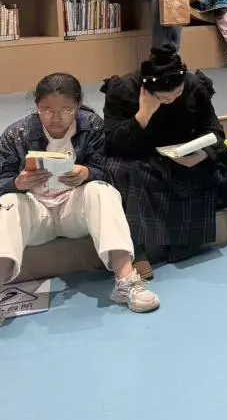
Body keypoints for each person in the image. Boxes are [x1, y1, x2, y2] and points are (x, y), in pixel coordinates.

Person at [102, 46, 227, 280]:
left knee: (223, 153)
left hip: (185, 155)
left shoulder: (194, 86)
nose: (171, 100)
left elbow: (214, 130)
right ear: (147, 91)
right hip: (142, 156)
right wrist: (143, 115)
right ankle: (135, 249)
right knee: (117, 168)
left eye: (177, 93)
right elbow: (112, 143)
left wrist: (203, 153)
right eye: (163, 97)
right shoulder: (124, 90)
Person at [0, 73, 159, 318]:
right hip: (35, 213)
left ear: (77, 105)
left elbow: (104, 169)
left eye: (66, 110)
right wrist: (17, 183)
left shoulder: (91, 125)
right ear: (36, 106)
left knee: (102, 190)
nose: (56, 118)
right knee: (8, 202)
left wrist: (87, 172)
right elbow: (2, 181)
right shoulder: (16, 134)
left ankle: (126, 280)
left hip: (72, 209)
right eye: (46, 110)